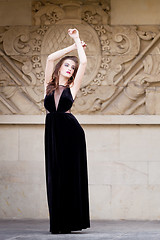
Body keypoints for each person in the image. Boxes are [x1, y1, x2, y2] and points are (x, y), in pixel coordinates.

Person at [43, 28, 90, 234]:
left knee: (69, 175)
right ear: (60, 68)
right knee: (55, 175)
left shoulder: (72, 88)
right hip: (52, 132)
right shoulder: (48, 85)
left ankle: (71, 222)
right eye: (67, 65)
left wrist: (78, 39)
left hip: (71, 133)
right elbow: (50, 58)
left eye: (73, 67)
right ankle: (59, 222)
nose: (70, 68)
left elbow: (85, 63)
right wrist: (72, 46)